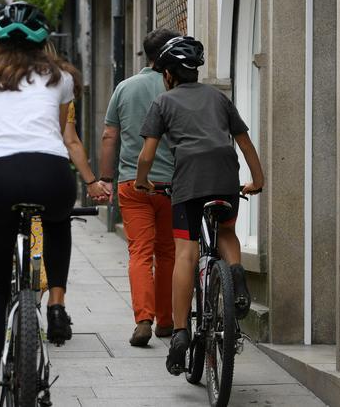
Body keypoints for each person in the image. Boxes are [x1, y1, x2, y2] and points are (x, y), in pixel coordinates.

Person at [0, 2, 98, 407]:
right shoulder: (61, 76)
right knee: (57, 220)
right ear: (43, 38)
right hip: (52, 173)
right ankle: (58, 302)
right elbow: (63, 129)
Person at [132, 36, 265, 376]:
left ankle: (179, 335)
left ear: (168, 75)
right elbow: (245, 143)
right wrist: (258, 180)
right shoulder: (219, 99)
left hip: (189, 180)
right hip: (224, 174)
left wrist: (142, 181)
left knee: (186, 252)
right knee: (227, 232)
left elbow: (147, 154)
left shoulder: (163, 103)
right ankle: (236, 277)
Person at [99, 29, 180, 347]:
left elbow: (109, 136)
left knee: (140, 253)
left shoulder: (125, 87)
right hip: (172, 184)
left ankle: (142, 320)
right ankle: (166, 320)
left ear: (146, 55)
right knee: (168, 253)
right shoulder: (176, 88)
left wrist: (105, 178)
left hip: (133, 183)